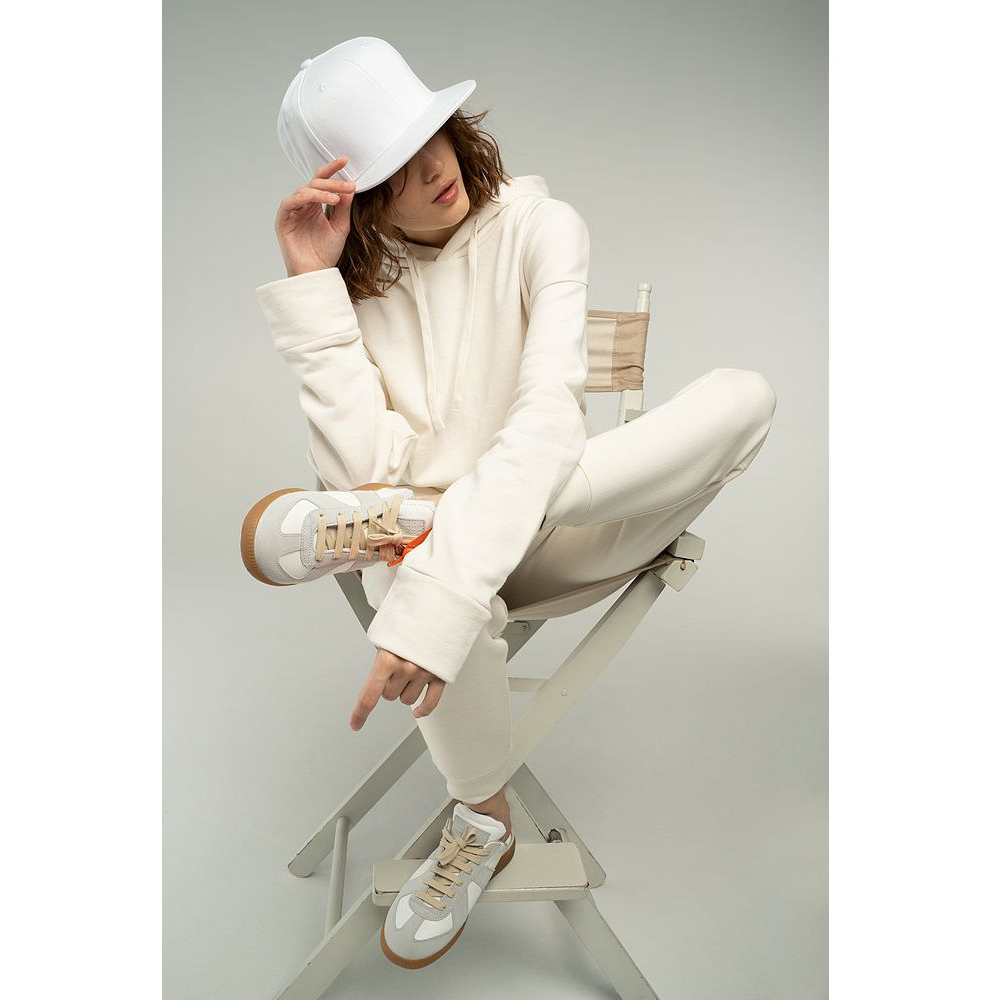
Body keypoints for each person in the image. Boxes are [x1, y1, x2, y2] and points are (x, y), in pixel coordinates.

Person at [241, 37, 777, 969]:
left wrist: (439, 551)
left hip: (571, 530)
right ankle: (484, 820)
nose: (430, 170)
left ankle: (430, 533)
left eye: (429, 135)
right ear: (357, 202)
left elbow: (544, 420)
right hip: (431, 549)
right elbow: (363, 471)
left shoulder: (541, 226)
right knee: (401, 564)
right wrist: (313, 287)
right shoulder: (362, 290)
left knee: (744, 396)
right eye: (392, 170)